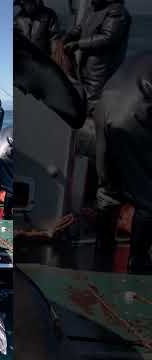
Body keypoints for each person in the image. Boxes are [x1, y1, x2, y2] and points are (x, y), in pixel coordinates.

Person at [92, 54, 152, 274]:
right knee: (148, 195)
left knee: (108, 187)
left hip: (103, 109)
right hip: (133, 113)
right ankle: (138, 260)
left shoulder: (139, 59)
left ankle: (103, 246)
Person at [63, 0, 131, 117]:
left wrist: (78, 44)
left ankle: (98, 130)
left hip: (102, 68)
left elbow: (108, 38)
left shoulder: (117, 11)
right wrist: (69, 36)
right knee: (84, 99)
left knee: (96, 103)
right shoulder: (93, 9)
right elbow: (81, 27)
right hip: (86, 65)